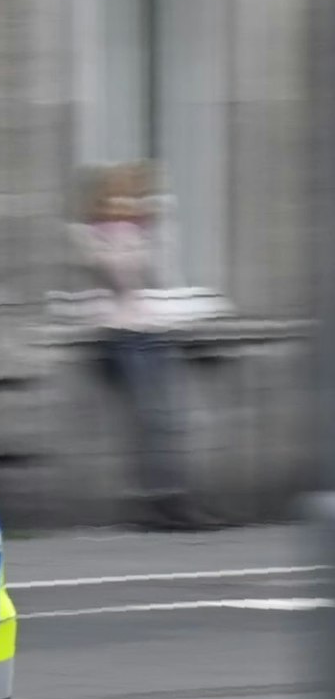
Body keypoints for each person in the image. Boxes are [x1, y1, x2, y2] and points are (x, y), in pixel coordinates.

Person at [71, 162, 213, 531]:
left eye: (132, 196)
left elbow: (163, 272)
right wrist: (126, 238)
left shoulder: (142, 231)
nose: (127, 204)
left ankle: (174, 499)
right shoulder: (98, 234)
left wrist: (153, 230)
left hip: (153, 330)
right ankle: (156, 504)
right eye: (118, 197)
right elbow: (122, 275)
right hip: (125, 336)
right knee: (151, 421)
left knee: (169, 421)